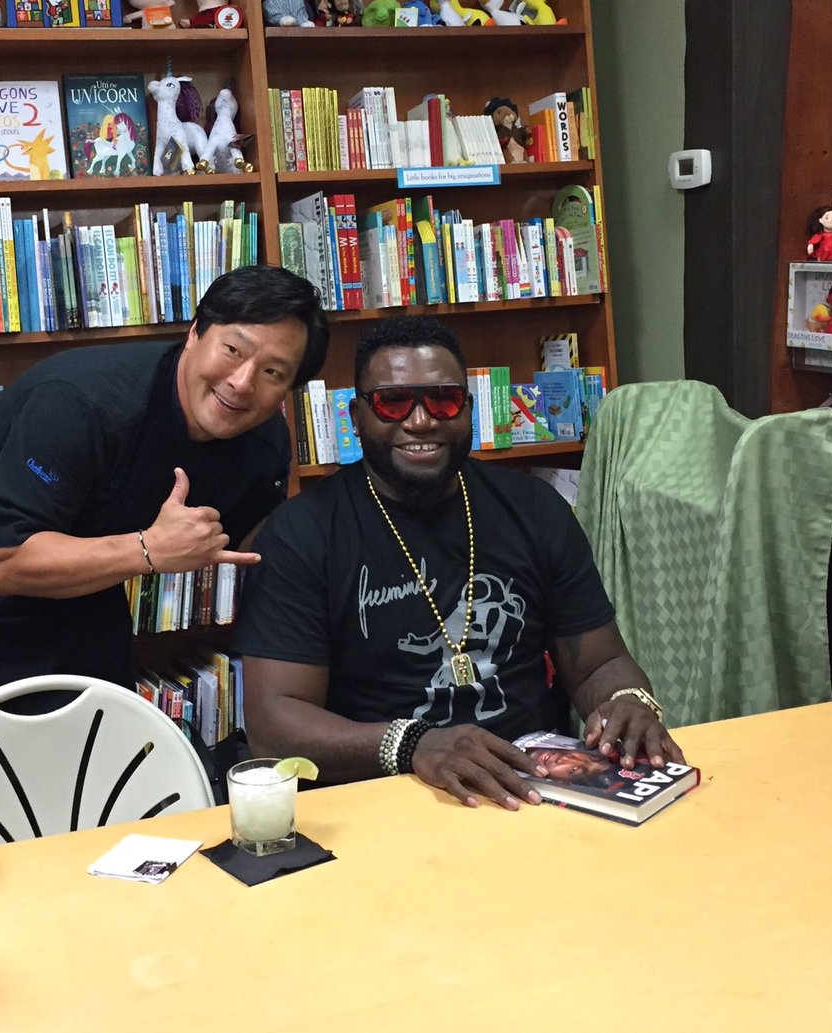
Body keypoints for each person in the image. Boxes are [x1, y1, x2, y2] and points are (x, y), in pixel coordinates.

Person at [0, 264, 328, 742]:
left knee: (94, 728)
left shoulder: (263, 446)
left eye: (272, 371)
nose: (242, 382)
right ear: (195, 332)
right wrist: (149, 549)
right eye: (233, 350)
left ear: (289, 388)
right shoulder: (84, 401)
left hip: (78, 557)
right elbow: (5, 561)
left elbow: (254, 546)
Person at [233, 314, 683, 811]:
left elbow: (600, 663)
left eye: (443, 400)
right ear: (357, 416)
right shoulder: (302, 532)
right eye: (392, 402)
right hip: (382, 798)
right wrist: (413, 744)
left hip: (532, 788)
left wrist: (627, 702)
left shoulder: (535, 510)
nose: (421, 421)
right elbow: (274, 726)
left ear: (469, 409)